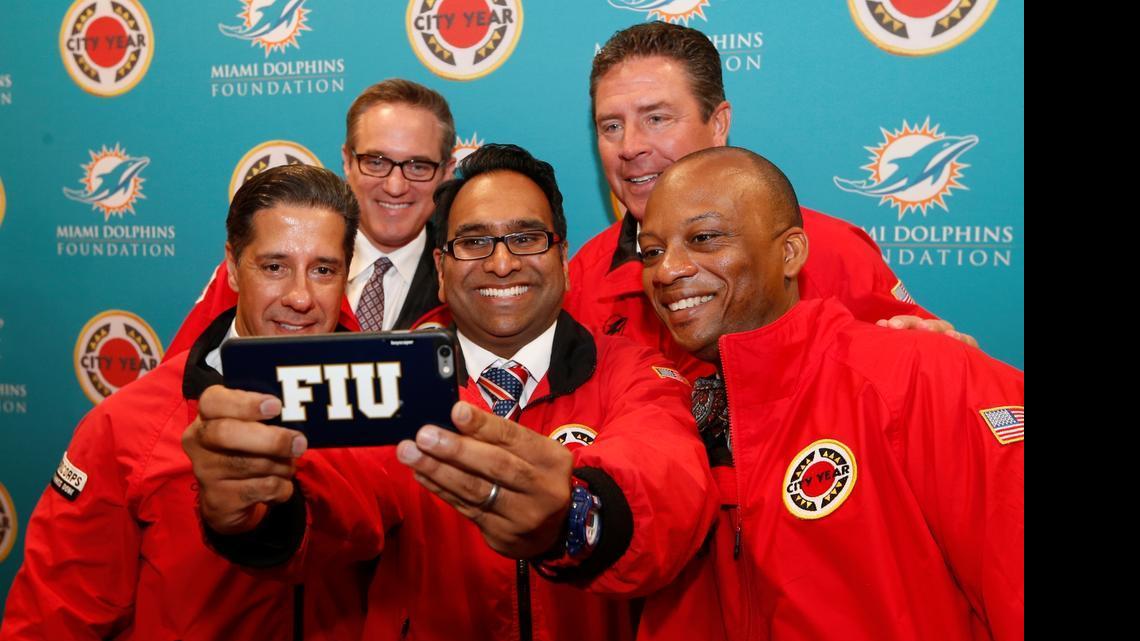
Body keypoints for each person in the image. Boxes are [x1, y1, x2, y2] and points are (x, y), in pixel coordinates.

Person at [180, 144, 717, 641]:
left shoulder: (634, 369)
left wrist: (574, 516)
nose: (501, 263)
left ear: (564, 260)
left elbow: (667, 483)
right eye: (473, 242)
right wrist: (259, 506)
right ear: (440, 269)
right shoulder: (386, 375)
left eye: (526, 238)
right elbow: (337, 498)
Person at [635, 147, 1023, 641]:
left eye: (704, 238)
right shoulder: (675, 415)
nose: (667, 270)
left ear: (790, 252)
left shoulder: (925, 375)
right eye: (650, 251)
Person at [0, 165, 369, 641]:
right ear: (234, 268)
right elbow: (54, 620)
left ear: (346, 274)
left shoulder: (388, 409)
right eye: (274, 267)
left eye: (322, 270)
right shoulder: (126, 425)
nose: (300, 297)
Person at [565, 21, 974, 382]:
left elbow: (935, 377)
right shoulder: (583, 277)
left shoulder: (831, 251)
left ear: (719, 123)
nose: (630, 146)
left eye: (656, 119)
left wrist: (943, 357)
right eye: (611, 126)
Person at [164, 78, 457, 355]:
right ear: (346, 160)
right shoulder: (257, 267)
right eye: (376, 162)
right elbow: (182, 383)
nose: (395, 186)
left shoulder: (465, 278)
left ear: (447, 171)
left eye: (419, 166)